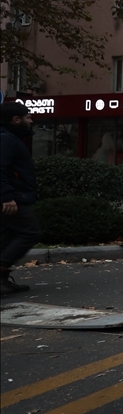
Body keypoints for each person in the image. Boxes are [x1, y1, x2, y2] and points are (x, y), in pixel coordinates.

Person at [1, 102, 41, 296]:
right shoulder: (7, 139)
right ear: (16, 119)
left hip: (13, 196)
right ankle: (1, 270)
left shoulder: (12, 138)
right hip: (12, 199)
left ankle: (2, 282)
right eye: (28, 117)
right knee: (30, 231)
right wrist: (7, 196)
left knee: (7, 236)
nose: (31, 120)